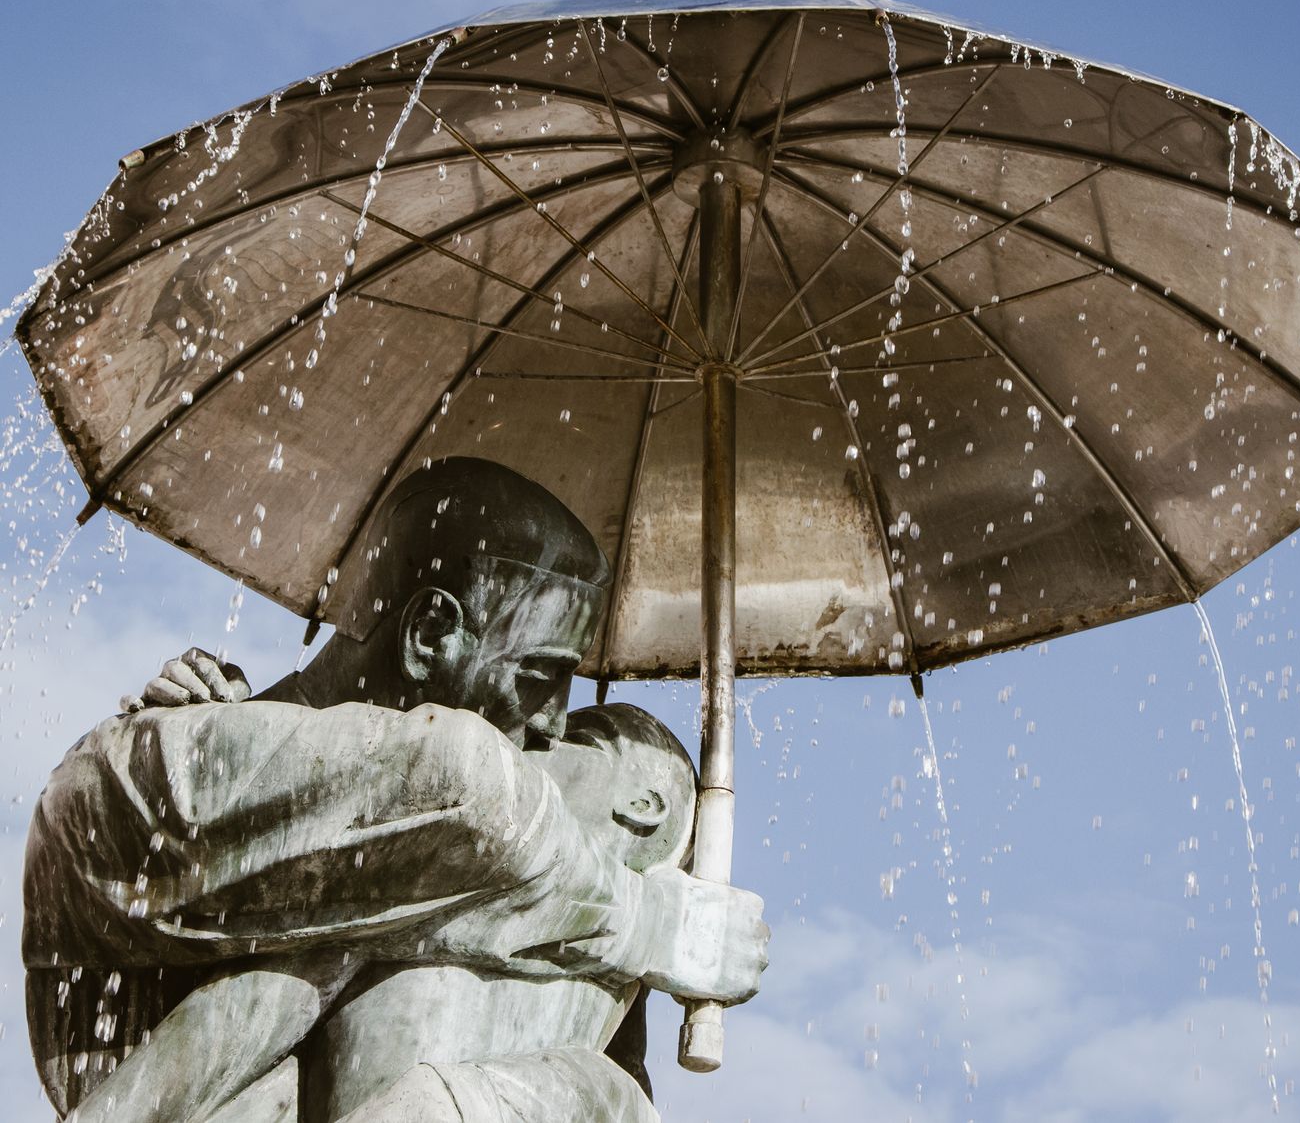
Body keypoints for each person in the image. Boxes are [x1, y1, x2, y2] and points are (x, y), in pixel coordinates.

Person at [25, 459, 766, 1121]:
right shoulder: (139, 775)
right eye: (538, 675)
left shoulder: (438, 849)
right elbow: (462, 789)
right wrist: (650, 922)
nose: (552, 724)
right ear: (430, 633)